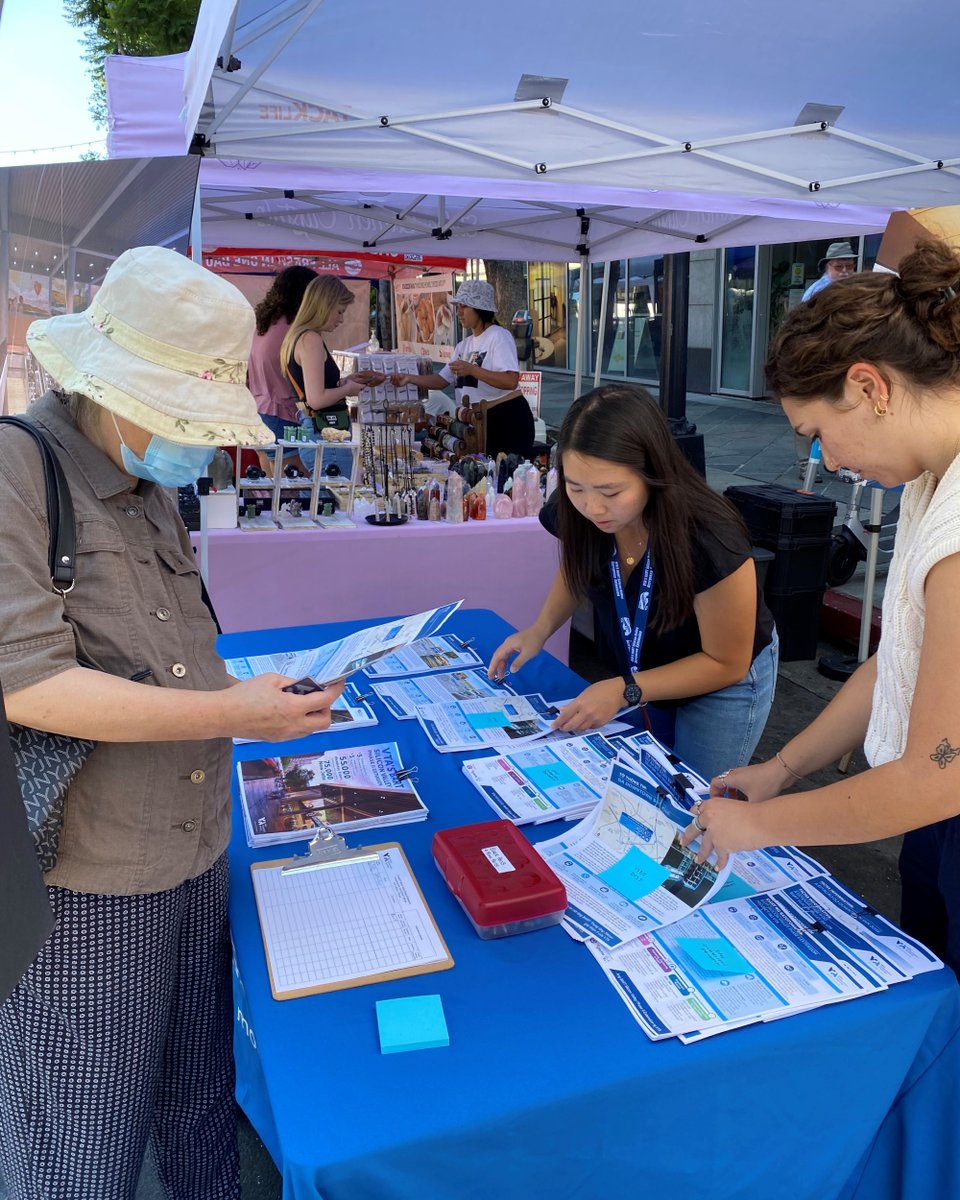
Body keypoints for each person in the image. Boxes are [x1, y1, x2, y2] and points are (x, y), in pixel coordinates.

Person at [0, 246, 343, 1199]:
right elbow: (29, 685)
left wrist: (254, 694)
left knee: (200, 1094)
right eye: (186, 416)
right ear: (114, 391)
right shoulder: (18, 471)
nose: (199, 445)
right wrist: (228, 709)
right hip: (92, 875)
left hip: (195, 846)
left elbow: (178, 645)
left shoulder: (149, 484)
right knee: (82, 1128)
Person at [685, 238, 960, 975]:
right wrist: (782, 767)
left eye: (817, 435)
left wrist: (762, 824)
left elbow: (939, 774)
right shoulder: (933, 475)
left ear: (870, 387)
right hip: (932, 829)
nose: (831, 463)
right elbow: (899, 659)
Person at [488, 384, 778, 781]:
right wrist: (539, 630)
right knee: (643, 779)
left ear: (652, 474)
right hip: (646, 668)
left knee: (691, 796)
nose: (592, 508)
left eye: (612, 491)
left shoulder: (710, 536)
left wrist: (625, 689)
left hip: (720, 680)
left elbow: (726, 662)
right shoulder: (577, 511)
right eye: (576, 488)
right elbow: (578, 569)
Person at [393, 280, 534, 459]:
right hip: (477, 421)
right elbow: (441, 380)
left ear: (480, 309)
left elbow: (510, 380)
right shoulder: (463, 346)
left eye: (464, 307)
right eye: (458, 306)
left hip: (506, 418)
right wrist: (409, 378)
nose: (458, 312)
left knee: (505, 478)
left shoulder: (498, 336)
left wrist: (473, 370)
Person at [247, 264, 317, 476]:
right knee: (293, 483)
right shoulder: (294, 332)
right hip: (282, 412)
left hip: (258, 408)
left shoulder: (263, 324)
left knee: (271, 480)